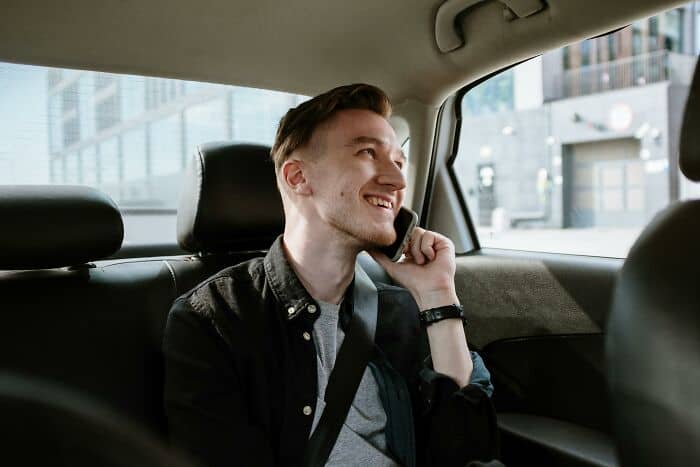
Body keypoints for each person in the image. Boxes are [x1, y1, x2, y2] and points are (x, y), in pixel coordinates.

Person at [163, 83, 500, 467]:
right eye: (367, 152)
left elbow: (469, 453)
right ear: (297, 177)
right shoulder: (215, 319)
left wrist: (438, 295)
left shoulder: (402, 310)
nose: (398, 180)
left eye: (398, 161)